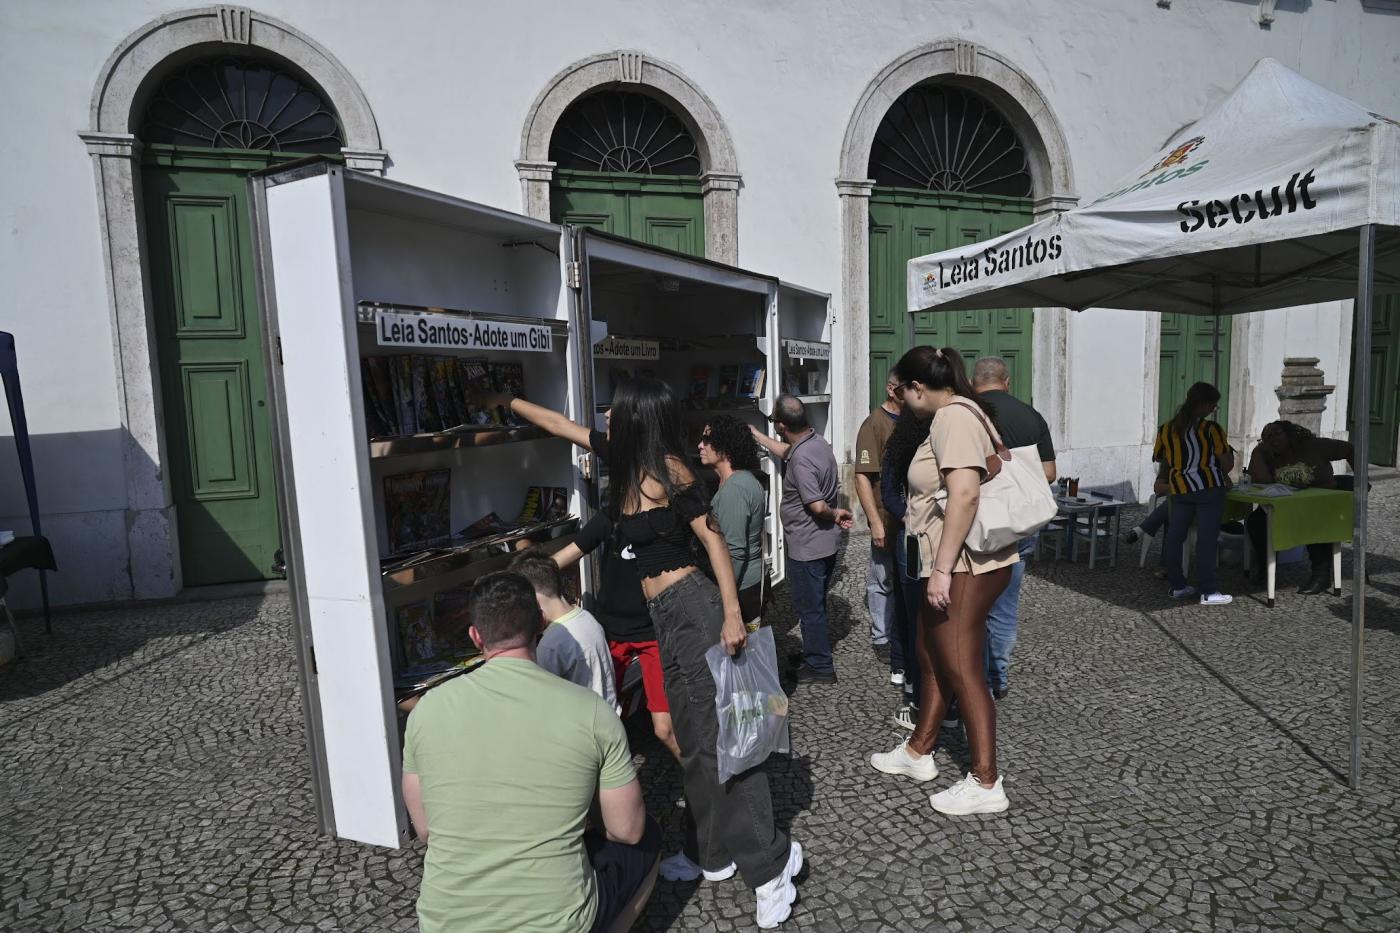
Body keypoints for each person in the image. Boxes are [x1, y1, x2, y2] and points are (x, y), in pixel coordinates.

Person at [609, 377, 803, 929]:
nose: (606, 418)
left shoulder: (670, 470)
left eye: (615, 411)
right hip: (665, 619)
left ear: (636, 416)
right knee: (693, 743)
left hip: (696, 609)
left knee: (725, 742)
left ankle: (771, 866)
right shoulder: (626, 470)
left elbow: (715, 541)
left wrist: (734, 614)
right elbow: (569, 429)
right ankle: (708, 852)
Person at [402, 571, 661, 933]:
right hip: (558, 922)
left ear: (476, 636)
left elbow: (428, 830)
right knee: (648, 836)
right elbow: (627, 830)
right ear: (541, 623)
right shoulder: (591, 711)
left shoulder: (426, 711)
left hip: (445, 922)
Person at [479, 390, 681, 759]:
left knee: (664, 728)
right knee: (598, 717)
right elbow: (559, 425)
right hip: (612, 631)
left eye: (612, 413)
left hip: (653, 631)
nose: (605, 417)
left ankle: (703, 799)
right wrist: (509, 401)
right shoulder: (610, 514)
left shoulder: (669, 482)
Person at [869, 346, 1013, 816]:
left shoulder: (952, 416)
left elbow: (966, 493)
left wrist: (943, 569)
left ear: (916, 388)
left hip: (966, 564)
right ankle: (919, 751)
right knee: (931, 654)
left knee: (960, 665)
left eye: (904, 393)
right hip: (952, 561)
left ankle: (986, 781)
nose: (904, 403)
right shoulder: (964, 412)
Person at [751, 395, 854, 685]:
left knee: (810, 609)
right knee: (816, 604)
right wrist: (758, 436)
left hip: (808, 547)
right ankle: (814, 652)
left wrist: (835, 514)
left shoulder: (801, 459)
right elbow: (789, 453)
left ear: (782, 425)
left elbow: (818, 506)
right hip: (825, 544)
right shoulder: (817, 443)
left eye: (773, 423)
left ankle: (820, 667)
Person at [971, 357, 1056, 701]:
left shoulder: (968, 413)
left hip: (979, 521)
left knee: (974, 606)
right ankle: (999, 677)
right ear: (1007, 381)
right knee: (1006, 605)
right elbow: (1049, 473)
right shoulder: (1031, 415)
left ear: (974, 382)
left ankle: (974, 675)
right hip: (1020, 522)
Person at [1246, 419, 1355, 595]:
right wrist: (1258, 451)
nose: (1272, 439)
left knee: (1312, 520)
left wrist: (1361, 482)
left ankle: (1321, 575)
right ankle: (1267, 568)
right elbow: (1259, 478)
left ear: (1289, 434)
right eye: (1267, 437)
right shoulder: (1269, 454)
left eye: (1276, 434)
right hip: (1288, 504)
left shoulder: (1314, 446)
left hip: (1323, 502)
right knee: (1256, 521)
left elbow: (1350, 449)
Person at [1154, 381, 1235, 605]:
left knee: (1175, 538)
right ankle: (1208, 591)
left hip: (1180, 489)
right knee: (1206, 541)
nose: (1213, 409)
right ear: (1202, 404)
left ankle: (1178, 586)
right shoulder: (1211, 430)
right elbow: (1226, 464)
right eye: (1213, 405)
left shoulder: (1166, 429)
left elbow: (1163, 460)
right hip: (1209, 489)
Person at [880, 406, 933, 731]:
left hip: (911, 538)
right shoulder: (939, 443)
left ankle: (916, 694)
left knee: (913, 614)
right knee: (920, 614)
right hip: (919, 539)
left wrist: (909, 518)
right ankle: (924, 692)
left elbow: (889, 493)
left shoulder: (900, 448)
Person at [511, 549, 618, 710]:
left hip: (583, 729)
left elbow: (540, 699)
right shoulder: (586, 617)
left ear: (532, 597)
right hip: (608, 715)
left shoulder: (551, 645)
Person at [854, 371, 903, 682]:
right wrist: (874, 521)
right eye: (904, 387)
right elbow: (862, 476)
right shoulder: (874, 423)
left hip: (908, 519)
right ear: (890, 388)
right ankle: (881, 636)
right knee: (882, 578)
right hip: (885, 517)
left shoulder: (916, 418)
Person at [698, 414, 768, 625]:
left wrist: (722, 599)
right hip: (749, 584)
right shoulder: (741, 480)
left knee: (744, 651)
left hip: (743, 589)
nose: (700, 445)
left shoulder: (734, 490)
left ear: (725, 446)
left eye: (707, 440)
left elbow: (735, 552)